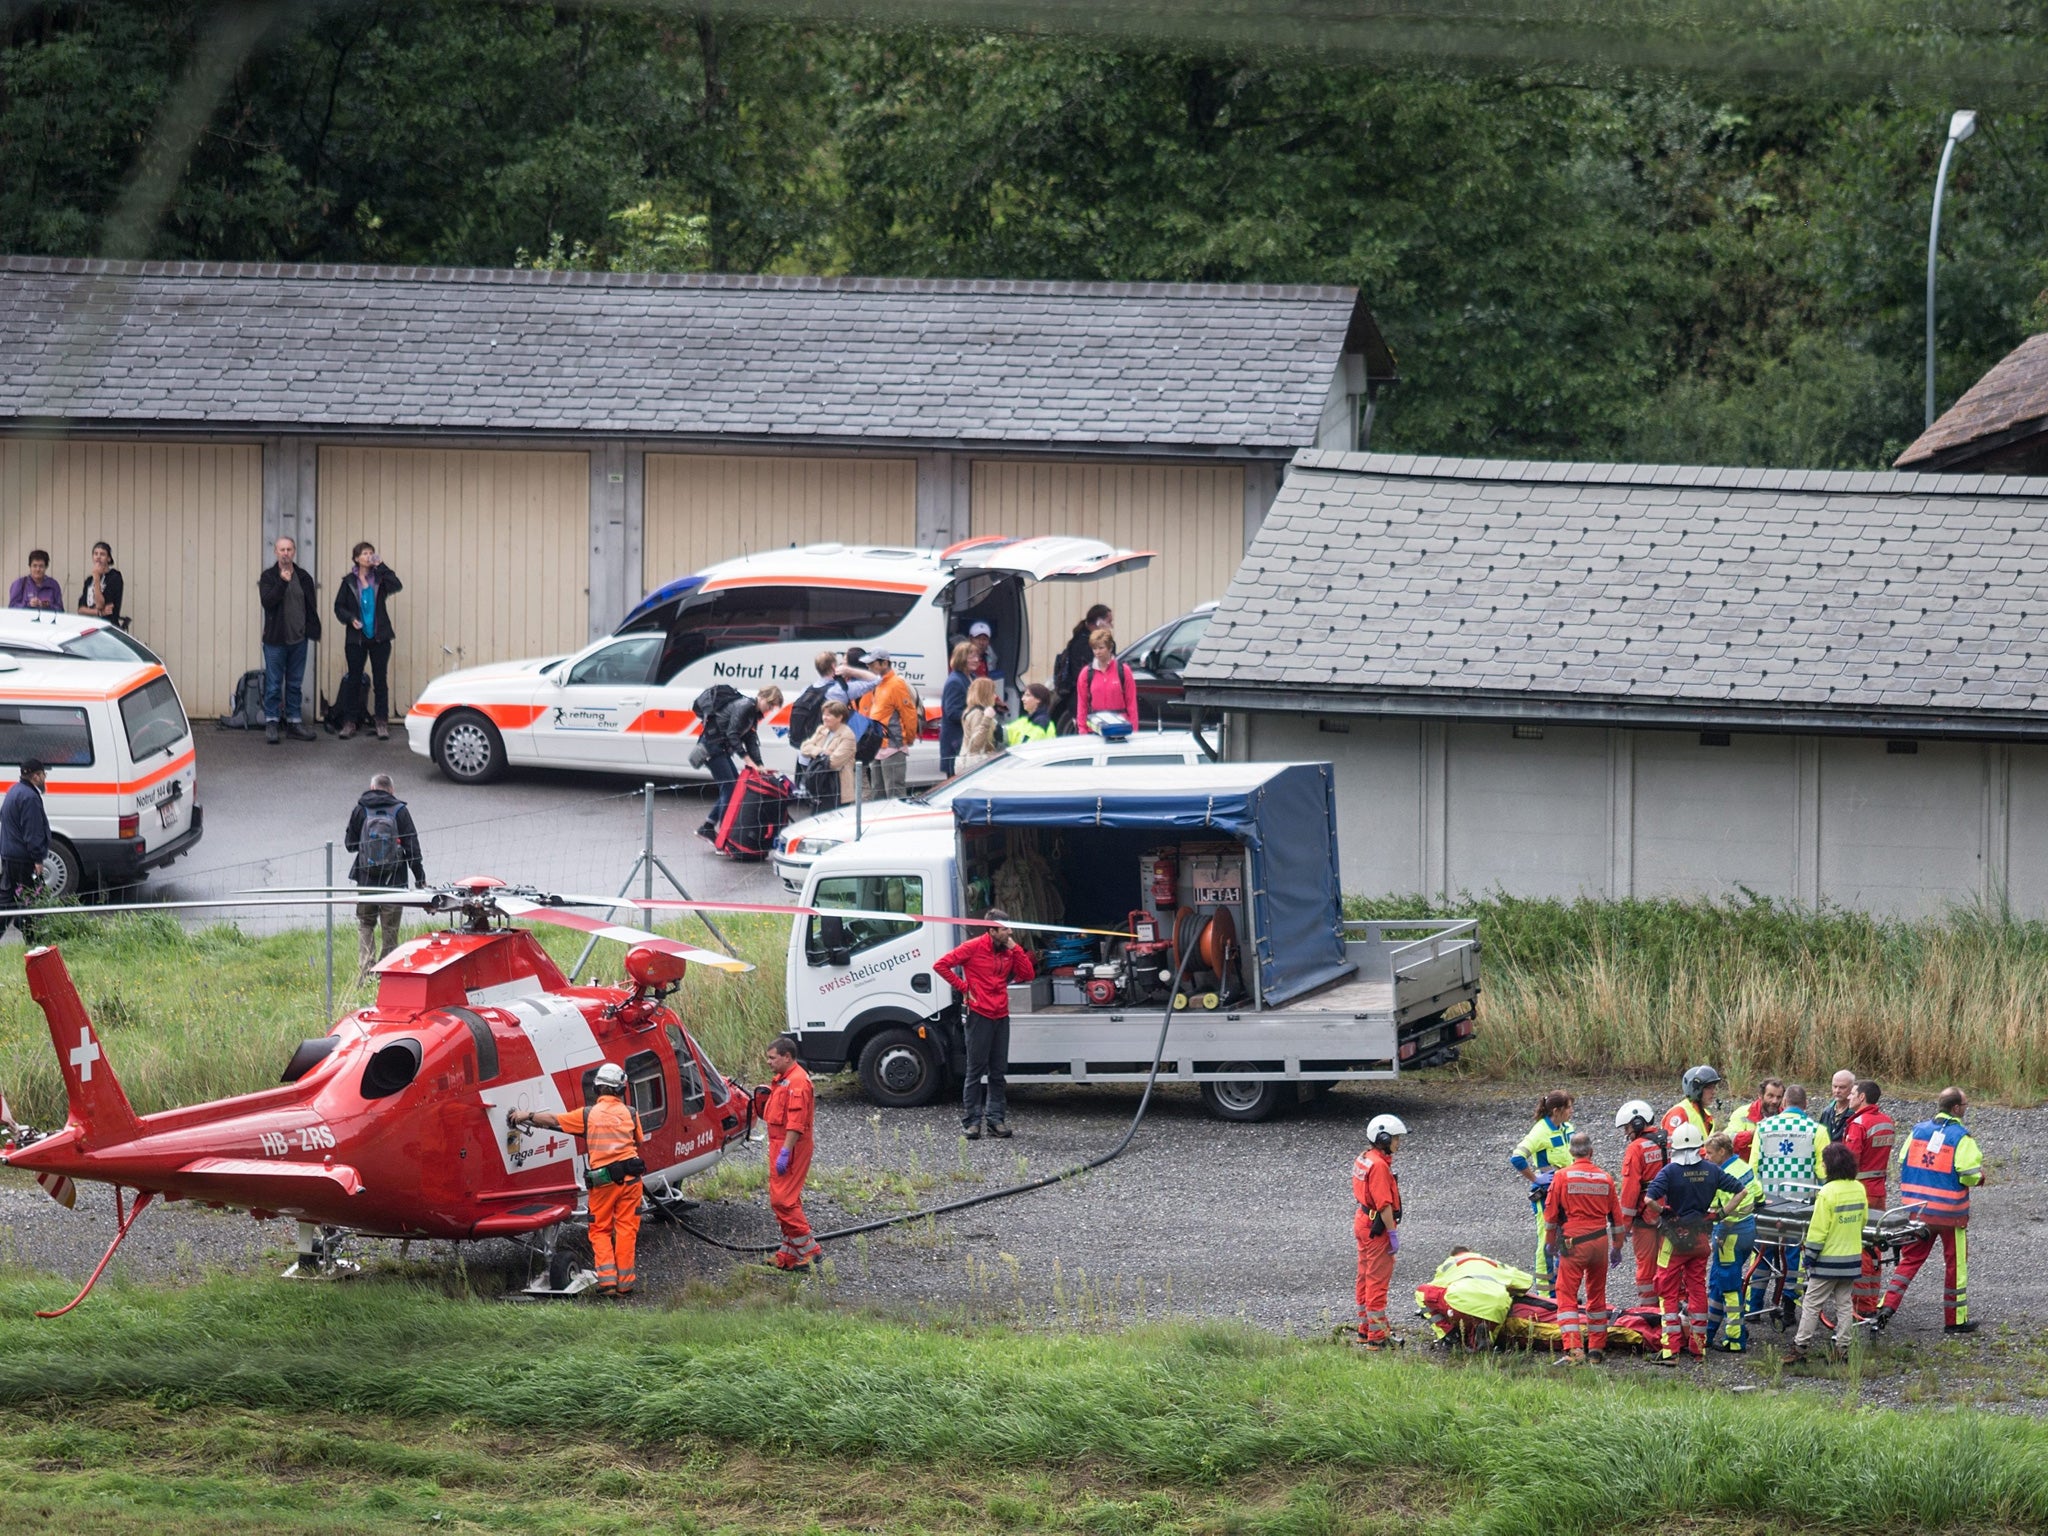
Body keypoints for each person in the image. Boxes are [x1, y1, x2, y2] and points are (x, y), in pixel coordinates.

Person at [508, 1061, 645, 1295]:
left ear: (597, 1088)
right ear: (621, 1090)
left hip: (603, 1182)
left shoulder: (588, 1115)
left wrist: (524, 1116)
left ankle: (608, 1283)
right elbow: (638, 1141)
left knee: (600, 1230)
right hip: (632, 1180)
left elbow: (553, 1120)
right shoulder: (630, 1113)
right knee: (626, 1229)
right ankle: (626, 1283)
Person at [1642, 1122, 1749, 1364]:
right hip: (1701, 1239)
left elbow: (1649, 1199)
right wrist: (1720, 1214)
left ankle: (1670, 1351)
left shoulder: (1670, 1171)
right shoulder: (1711, 1170)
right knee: (1697, 1289)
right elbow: (1741, 1191)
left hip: (1674, 1240)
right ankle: (1698, 1348)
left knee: (1667, 1291)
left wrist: (1666, 1212)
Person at [1880, 1086, 1984, 1335]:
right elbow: (1968, 1174)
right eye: (1965, 1106)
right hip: (1950, 1215)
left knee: (1909, 1260)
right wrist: (1980, 1177)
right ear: (1956, 1109)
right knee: (1955, 1266)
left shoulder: (1918, 1131)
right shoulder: (1961, 1137)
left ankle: (1886, 1306)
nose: (1966, 1110)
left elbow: (1903, 1160)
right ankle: (1954, 1320)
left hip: (1918, 1213)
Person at [933, 909, 1035, 1140]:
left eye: (1010, 928)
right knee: (975, 1070)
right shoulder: (973, 947)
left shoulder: (1008, 949)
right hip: (979, 1015)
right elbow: (941, 965)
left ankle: (996, 1120)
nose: (1010, 932)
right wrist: (964, 988)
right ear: (991, 930)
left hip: (1001, 1014)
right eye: (1005, 929)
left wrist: (1015, 948)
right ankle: (972, 1122)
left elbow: (1027, 974)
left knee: (998, 1072)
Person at [1542, 1131, 1625, 1364]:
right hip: (1600, 1243)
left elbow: (1550, 1216)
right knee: (1597, 1295)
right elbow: (1617, 1219)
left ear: (1570, 1152)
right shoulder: (1605, 1178)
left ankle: (1574, 1348)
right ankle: (1597, 1349)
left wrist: (1550, 1242)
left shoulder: (1561, 1177)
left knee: (1566, 1294)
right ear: (1592, 1151)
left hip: (1574, 1244)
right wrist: (1617, 1247)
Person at [1784, 1142, 1870, 1364]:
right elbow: (1863, 1222)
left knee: (1811, 1303)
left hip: (1827, 1261)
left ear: (1830, 1166)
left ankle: (1800, 1347)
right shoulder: (1859, 1189)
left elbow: (1818, 1230)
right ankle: (1842, 1349)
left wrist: (1809, 1256)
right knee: (1844, 1304)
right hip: (1851, 1259)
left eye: (1823, 1162)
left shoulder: (1827, 1192)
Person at [344, 772, 425, 978]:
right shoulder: (400, 811)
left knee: (366, 924)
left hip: (366, 879)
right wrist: (420, 877)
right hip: (394, 881)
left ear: (372, 788)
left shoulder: (360, 809)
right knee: (390, 930)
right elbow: (412, 847)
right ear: (391, 790)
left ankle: (365, 970)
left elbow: (350, 846)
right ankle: (384, 973)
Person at [333, 541, 404, 740]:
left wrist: (381, 565)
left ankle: (381, 721)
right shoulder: (348, 581)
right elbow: (338, 607)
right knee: (354, 680)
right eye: (365, 553)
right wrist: (350, 619)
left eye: (371, 553)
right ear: (356, 558)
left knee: (380, 680)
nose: (368, 556)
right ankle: (350, 722)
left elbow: (397, 585)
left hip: (380, 637)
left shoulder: (380, 579)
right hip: (356, 639)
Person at [762, 1034, 821, 1271]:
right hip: (781, 1144)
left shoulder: (797, 1083)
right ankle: (787, 1254)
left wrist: (785, 1152)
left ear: (787, 1057)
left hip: (791, 1146)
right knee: (783, 1200)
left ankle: (810, 1251)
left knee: (783, 1201)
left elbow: (796, 1124)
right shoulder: (784, 1079)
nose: (769, 1062)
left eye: (772, 1058)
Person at [1508, 1089, 1574, 1296]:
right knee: (1547, 1241)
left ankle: (1562, 1290)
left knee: (1567, 1241)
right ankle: (1546, 1295)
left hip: (1566, 1192)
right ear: (1557, 1110)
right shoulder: (1540, 1132)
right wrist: (1536, 1179)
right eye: (1569, 1107)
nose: (1572, 1111)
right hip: (1546, 1194)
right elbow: (1517, 1158)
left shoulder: (1566, 1128)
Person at [696, 685, 783, 840]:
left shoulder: (754, 713)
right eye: (769, 705)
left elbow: (751, 740)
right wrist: (747, 760)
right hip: (712, 747)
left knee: (732, 787)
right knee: (730, 787)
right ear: (762, 696)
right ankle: (723, 835)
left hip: (719, 748)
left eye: (772, 707)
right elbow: (733, 734)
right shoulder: (745, 706)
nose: (769, 709)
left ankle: (708, 826)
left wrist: (760, 764)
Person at [1840, 1079, 1896, 1319]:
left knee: (1859, 1246)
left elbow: (1849, 1162)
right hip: (1878, 1192)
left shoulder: (1859, 1124)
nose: (1849, 1097)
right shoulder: (1887, 1122)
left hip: (1860, 1192)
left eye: (1852, 1093)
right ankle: (1871, 1300)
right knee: (1874, 1247)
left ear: (1862, 1097)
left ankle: (1861, 1305)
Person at [1701, 1132, 1761, 1352]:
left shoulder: (1721, 1175)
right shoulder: (1744, 1167)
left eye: (1709, 1153)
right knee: (1717, 1282)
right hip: (1748, 1231)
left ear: (1722, 1152)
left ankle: (1735, 1338)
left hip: (1728, 1234)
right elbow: (1759, 1194)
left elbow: (1719, 1209)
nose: (1706, 1157)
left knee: (1729, 1287)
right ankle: (1708, 1332)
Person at [258, 535, 322, 744]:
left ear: (294, 552)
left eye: (289, 550)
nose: (285, 553)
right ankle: (272, 722)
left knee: (294, 683)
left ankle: (294, 722)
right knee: (274, 684)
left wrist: (312, 630)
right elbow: (268, 602)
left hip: (299, 640)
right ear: (275, 552)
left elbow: (310, 607)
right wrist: (282, 583)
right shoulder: (268, 577)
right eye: (282, 550)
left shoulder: (304, 577)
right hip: (275, 641)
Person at [1351, 1113, 1407, 1351]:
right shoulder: (1380, 1167)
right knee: (1377, 1281)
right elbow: (1384, 1204)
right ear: (1383, 1138)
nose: (1398, 1142)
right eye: (1395, 1138)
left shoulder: (1365, 1158)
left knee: (1364, 1276)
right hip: (1377, 1228)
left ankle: (1365, 1330)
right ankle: (1378, 1337)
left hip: (1363, 1222)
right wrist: (1392, 1233)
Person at [1414, 1248, 1534, 1351]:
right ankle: (1486, 1340)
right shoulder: (1494, 1263)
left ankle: (1449, 1335)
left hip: (1462, 1300)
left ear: (1455, 1255)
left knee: (1421, 1292)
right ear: (1471, 1252)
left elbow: (1436, 1289)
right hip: (1497, 1302)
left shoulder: (1450, 1263)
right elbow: (1526, 1283)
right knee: (1498, 1311)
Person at [1615, 1099, 1668, 1308]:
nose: (1626, 1133)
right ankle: (1674, 1309)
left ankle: (1648, 1313)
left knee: (1646, 1267)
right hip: (1672, 1214)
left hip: (1645, 1217)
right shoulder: (1672, 1141)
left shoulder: (1636, 1149)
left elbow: (1629, 1192)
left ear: (1637, 1123)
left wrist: (1623, 1227)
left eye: (1627, 1127)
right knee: (1671, 1264)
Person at [1752, 1083, 1831, 1202]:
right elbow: (1823, 1171)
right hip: (1804, 1201)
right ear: (1806, 1104)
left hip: (1769, 1199)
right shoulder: (1817, 1130)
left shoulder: (1763, 1128)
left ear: (1783, 1102)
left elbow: (1754, 1166)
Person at [858, 650, 919, 801]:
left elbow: (909, 714)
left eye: (872, 664)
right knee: (878, 794)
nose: (869, 667)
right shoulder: (879, 684)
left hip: (892, 746)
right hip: (878, 746)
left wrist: (907, 739)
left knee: (895, 794)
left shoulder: (896, 684)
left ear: (884, 663)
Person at [0, 759, 50, 941]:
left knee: (8, 899)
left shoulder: (14, 790)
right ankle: (32, 939)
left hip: (9, 854)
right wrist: (37, 859)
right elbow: (33, 832)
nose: (45, 778)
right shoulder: (29, 797)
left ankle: (25, 929)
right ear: (36, 776)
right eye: (44, 774)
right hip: (23, 858)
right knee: (29, 898)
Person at [1053, 603, 1112, 730]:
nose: (1111, 626)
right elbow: (1085, 675)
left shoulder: (1086, 642)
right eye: (1108, 622)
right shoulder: (1083, 645)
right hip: (1082, 700)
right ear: (1098, 622)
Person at [1073, 627, 1138, 736]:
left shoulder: (1124, 671)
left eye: (1101, 648)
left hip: (1120, 728)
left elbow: (1132, 704)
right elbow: (1082, 705)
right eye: (1094, 648)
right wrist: (1083, 731)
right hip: (1095, 729)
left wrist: (1134, 730)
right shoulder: (1086, 673)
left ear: (1110, 648)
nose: (1097, 652)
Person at [797, 701, 859, 809]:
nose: (824, 718)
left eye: (828, 715)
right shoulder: (822, 729)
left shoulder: (847, 736)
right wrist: (821, 752)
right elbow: (804, 748)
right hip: (819, 785)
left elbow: (833, 763)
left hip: (837, 788)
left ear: (839, 717)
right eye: (824, 714)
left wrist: (815, 754)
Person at [1722, 1077, 1785, 1160]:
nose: (1775, 1101)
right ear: (1760, 1095)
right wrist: (1754, 1134)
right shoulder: (1743, 1113)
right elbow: (1726, 1142)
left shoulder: (1785, 1116)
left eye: (1779, 1097)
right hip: (1746, 1167)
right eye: (1770, 1096)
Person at [938, 641, 974, 777]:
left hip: (967, 741)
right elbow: (952, 712)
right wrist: (976, 716)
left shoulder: (972, 678)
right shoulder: (955, 681)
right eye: (971, 656)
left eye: (977, 656)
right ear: (961, 658)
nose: (976, 660)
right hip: (955, 742)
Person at [1660, 1064, 1721, 1143]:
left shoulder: (1706, 1115)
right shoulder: (1679, 1113)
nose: (1713, 1092)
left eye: (1714, 1088)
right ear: (1695, 1089)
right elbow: (1671, 1146)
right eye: (1708, 1088)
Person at [957, 677, 1002, 774]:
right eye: (992, 692)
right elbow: (976, 745)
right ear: (985, 694)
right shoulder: (978, 713)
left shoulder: (971, 710)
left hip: (970, 762)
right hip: (976, 765)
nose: (995, 696)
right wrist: (987, 720)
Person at [76, 542, 123, 623]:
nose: (98, 557)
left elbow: (100, 605)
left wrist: (97, 579)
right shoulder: (89, 580)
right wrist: (98, 612)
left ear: (109, 558)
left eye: (102, 554)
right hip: (89, 623)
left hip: (107, 623)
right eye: (95, 554)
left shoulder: (114, 576)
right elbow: (80, 610)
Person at [1004, 682, 1058, 746]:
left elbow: (1028, 748)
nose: (1022, 699)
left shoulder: (1042, 722)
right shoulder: (1025, 720)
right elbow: (1004, 734)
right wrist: (990, 720)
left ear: (1038, 699)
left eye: (1027, 695)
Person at [1818, 1068, 1858, 1141]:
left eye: (1842, 1087)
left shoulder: (1856, 1114)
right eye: (1835, 1086)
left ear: (1852, 1088)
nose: (1837, 1091)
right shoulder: (1827, 1112)